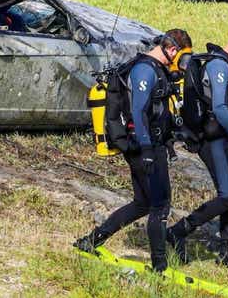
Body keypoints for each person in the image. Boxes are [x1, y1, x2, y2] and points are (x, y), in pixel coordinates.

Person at [74, 29, 194, 272]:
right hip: (143, 147)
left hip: (151, 144)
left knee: (142, 203)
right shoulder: (144, 71)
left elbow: (158, 111)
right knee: (160, 205)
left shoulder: (157, 70)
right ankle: (160, 266)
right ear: (171, 50)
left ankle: (90, 241)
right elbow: (138, 112)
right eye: (183, 58)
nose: (183, 65)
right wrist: (148, 149)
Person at [166, 21, 228, 268]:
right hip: (214, 139)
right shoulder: (219, 65)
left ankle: (226, 254)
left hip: (224, 137)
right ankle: (178, 231)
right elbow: (220, 108)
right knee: (227, 196)